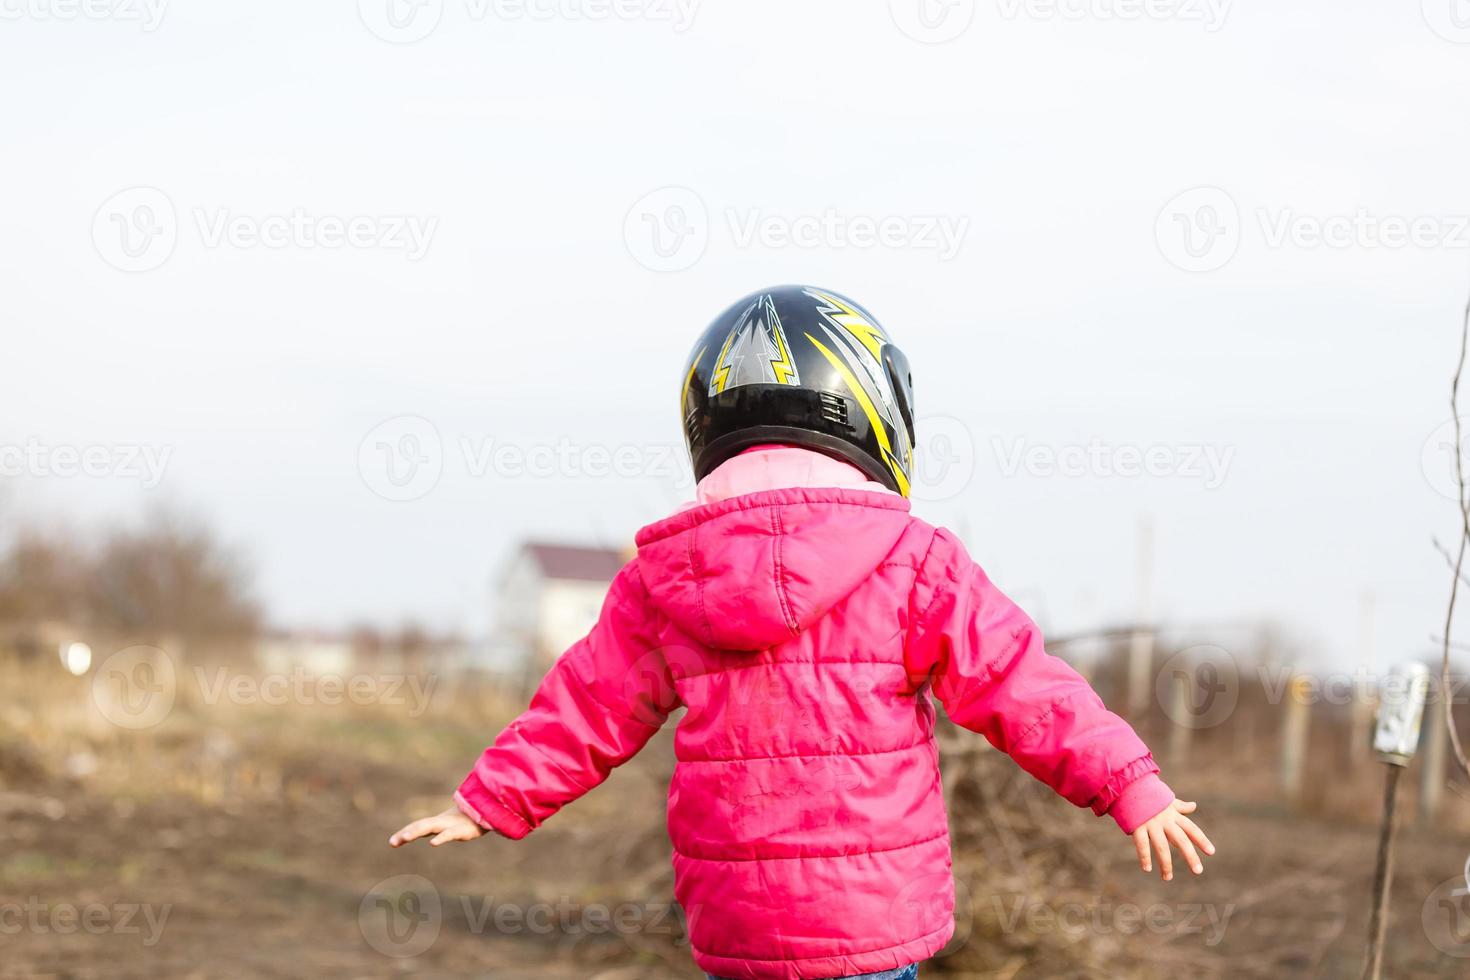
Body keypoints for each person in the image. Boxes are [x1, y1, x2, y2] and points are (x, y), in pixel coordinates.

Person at [390, 285, 1215, 980]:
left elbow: (586, 707)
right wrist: (1128, 785)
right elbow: (1023, 687)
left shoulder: (666, 578)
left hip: (737, 930)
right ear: (872, 412)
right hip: (871, 925)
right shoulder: (913, 560)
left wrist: (488, 800)